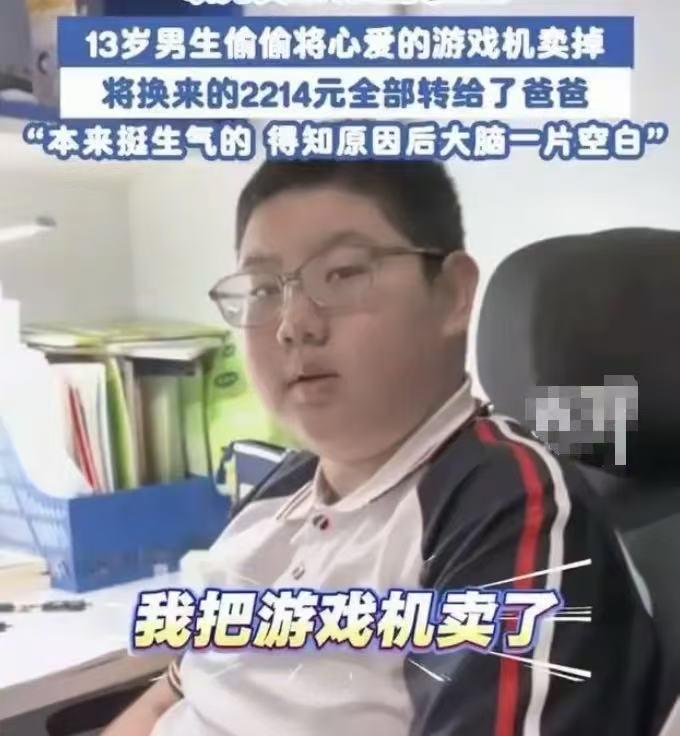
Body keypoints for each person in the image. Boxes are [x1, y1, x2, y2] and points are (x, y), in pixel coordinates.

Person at [103, 161, 659, 736]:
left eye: (343, 273)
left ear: (453, 294)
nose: (293, 324)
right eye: (264, 289)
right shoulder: (282, 489)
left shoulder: (499, 503)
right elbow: (173, 694)